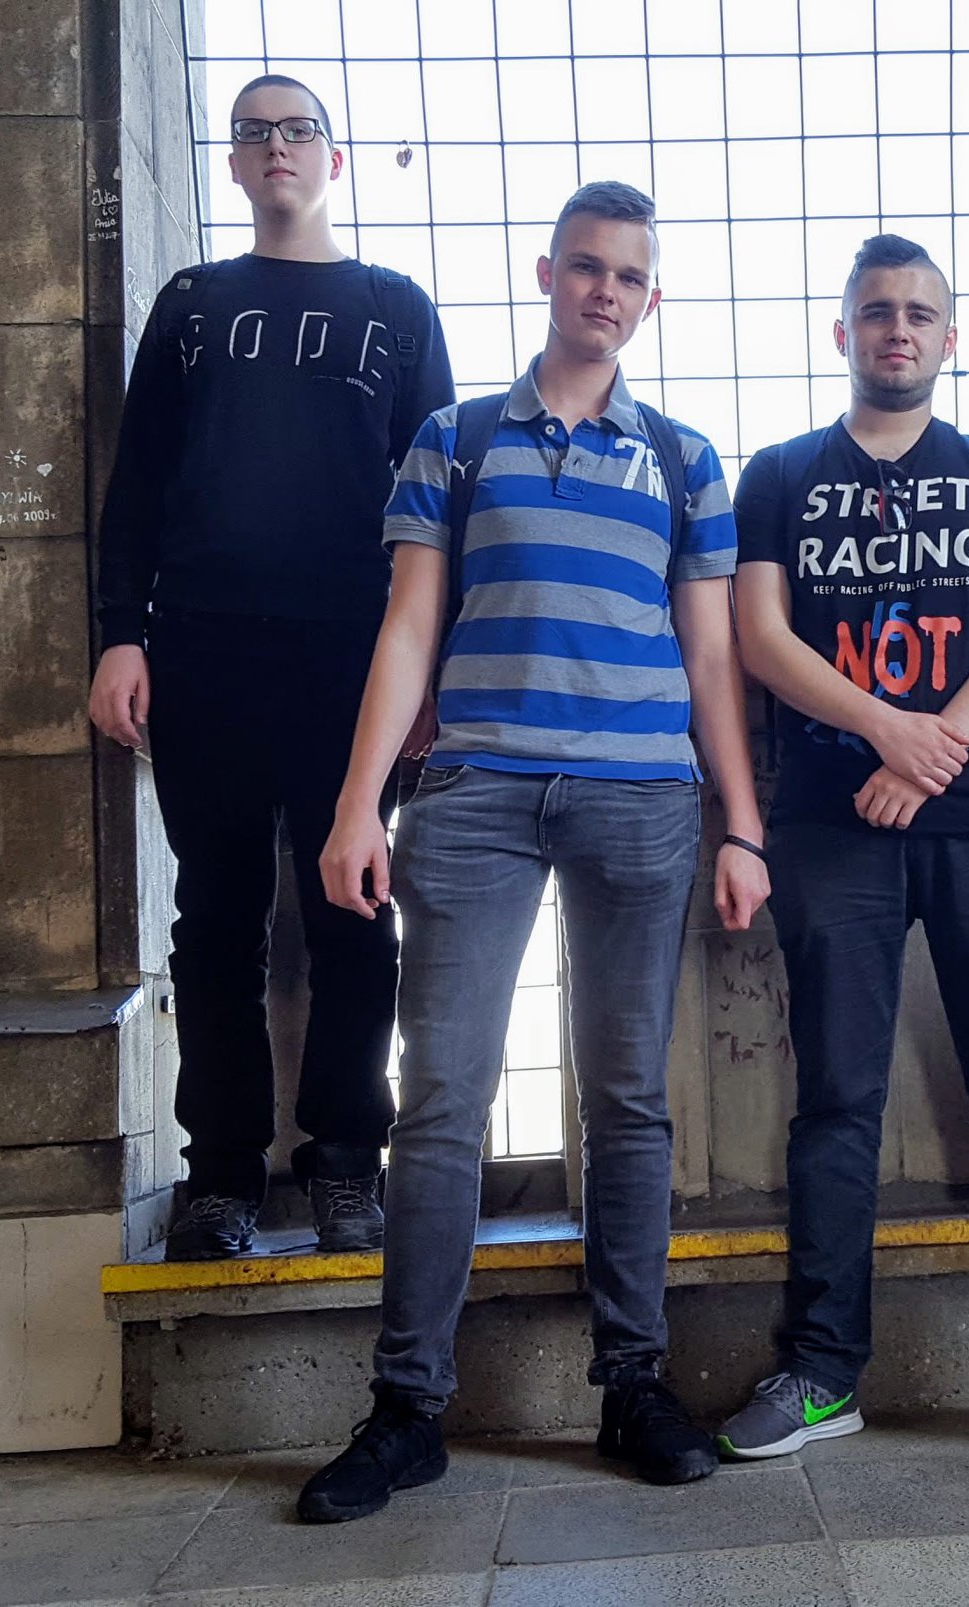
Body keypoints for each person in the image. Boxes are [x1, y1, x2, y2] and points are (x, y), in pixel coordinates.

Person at [295, 182, 770, 1523]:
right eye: (584, 267)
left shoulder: (683, 458)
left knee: (626, 1099)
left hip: (641, 799)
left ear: (649, 300)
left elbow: (710, 656)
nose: (603, 290)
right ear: (546, 273)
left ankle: (632, 1381)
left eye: (628, 275)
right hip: (474, 794)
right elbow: (406, 628)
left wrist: (741, 823)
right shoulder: (453, 441)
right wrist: (358, 804)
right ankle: (407, 1407)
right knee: (441, 1096)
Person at [715, 234, 969, 1461]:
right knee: (836, 1091)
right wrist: (883, 730)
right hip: (828, 820)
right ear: (840, 332)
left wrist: (927, 748)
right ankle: (821, 1367)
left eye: (917, 312)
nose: (896, 328)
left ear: (950, 338)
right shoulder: (779, 473)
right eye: (875, 310)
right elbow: (760, 637)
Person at [88, 75, 454, 1261]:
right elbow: (138, 482)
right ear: (236, 164)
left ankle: (346, 1167)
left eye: (298, 130)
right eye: (254, 133)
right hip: (203, 650)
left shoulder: (395, 309)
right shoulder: (193, 304)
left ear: (332, 161)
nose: (276, 147)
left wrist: (432, 672)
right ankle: (221, 1181)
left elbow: (437, 508)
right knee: (214, 919)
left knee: (353, 909)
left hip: (353, 660)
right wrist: (121, 632)